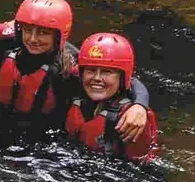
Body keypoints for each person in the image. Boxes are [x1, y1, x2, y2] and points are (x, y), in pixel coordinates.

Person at [0, 0, 154, 136]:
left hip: (41, 141)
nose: (33, 39)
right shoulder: (6, 43)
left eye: (43, 32)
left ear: (59, 35)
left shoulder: (70, 67)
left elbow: (125, 79)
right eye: (28, 30)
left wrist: (140, 105)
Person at [65, 33, 158, 162]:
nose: (97, 78)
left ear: (122, 78)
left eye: (107, 72)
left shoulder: (130, 119)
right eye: (91, 70)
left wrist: (140, 105)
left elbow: (137, 169)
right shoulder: (73, 85)